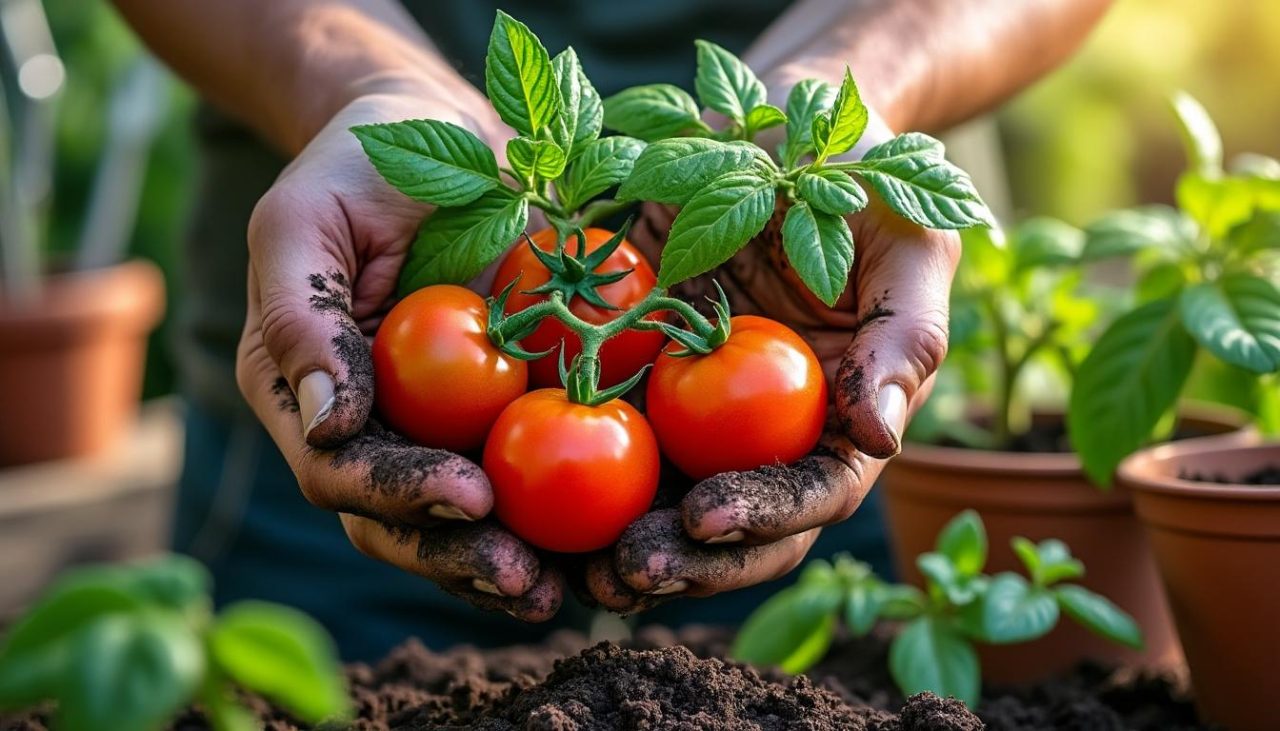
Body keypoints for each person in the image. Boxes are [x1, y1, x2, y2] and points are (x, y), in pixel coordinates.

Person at [112, 0, 1112, 660]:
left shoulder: (541, 321)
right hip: (344, 373)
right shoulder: (517, 315)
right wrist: (355, 83)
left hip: (837, 326)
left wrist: (849, 85)